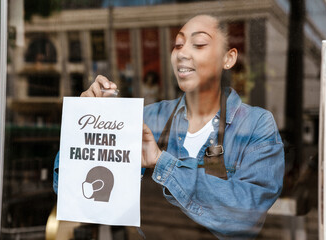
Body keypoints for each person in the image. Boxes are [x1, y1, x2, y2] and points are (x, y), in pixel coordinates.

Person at [53, 14, 284, 239]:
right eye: (178, 45)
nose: (182, 52)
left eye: (199, 44)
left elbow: (246, 216)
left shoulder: (256, 125)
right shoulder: (150, 118)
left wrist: (162, 163)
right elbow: (71, 188)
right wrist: (91, 124)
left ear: (228, 59)